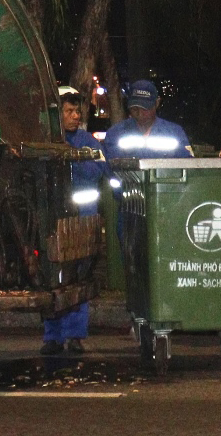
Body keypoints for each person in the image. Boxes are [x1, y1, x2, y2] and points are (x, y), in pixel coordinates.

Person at [44, 86, 109, 356]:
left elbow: (101, 169)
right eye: (68, 111)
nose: (75, 116)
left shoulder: (89, 143)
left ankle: (74, 335)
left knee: (78, 280)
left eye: (76, 111)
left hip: (82, 221)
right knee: (54, 280)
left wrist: (71, 159)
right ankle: (53, 336)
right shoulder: (46, 140)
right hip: (56, 222)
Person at [103, 79, 192, 160]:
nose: (140, 114)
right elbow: (108, 168)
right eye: (135, 109)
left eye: (145, 109)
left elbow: (187, 166)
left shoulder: (174, 133)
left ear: (157, 103)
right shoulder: (115, 134)